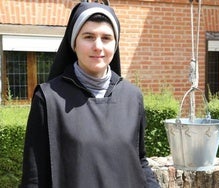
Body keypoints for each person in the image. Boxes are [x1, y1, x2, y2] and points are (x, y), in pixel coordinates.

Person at [20, 2, 160, 188]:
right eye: (88, 37)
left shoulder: (132, 97)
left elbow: (139, 160)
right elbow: (34, 177)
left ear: (115, 44)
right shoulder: (48, 99)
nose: (98, 46)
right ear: (74, 43)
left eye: (106, 38)